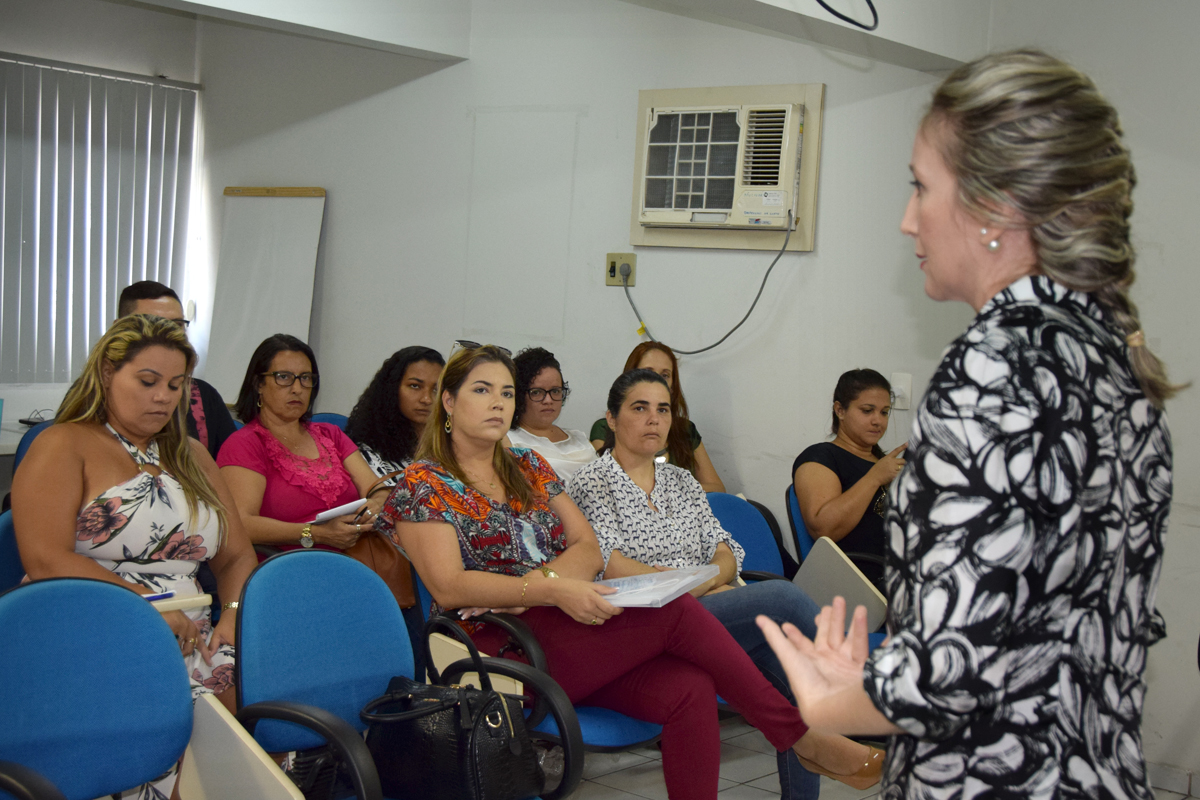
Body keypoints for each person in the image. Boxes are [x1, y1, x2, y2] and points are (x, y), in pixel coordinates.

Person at [757, 50, 1178, 800]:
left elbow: (949, 669)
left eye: (923, 187)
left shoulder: (992, 367)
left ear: (997, 208)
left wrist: (834, 697)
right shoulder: (1116, 356)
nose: (907, 217)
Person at [375, 345, 881, 800]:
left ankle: (808, 732)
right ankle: (800, 735)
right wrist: (549, 591)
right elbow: (450, 585)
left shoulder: (528, 465)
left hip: (566, 626)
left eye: (506, 392)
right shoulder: (422, 485)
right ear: (449, 403)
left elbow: (588, 547)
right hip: (500, 650)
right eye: (482, 391)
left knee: (690, 688)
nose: (498, 403)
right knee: (677, 610)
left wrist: (545, 587)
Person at [568, 369, 882, 798]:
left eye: (663, 410)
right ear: (612, 417)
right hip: (640, 623)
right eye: (639, 408)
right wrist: (702, 583)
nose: (653, 420)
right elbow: (612, 567)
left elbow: (727, 549)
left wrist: (710, 577)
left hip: (703, 610)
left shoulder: (681, 480)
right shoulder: (590, 482)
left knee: (795, 682)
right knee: (782, 596)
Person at [11, 314, 258, 798]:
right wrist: (143, 608)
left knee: (250, 709)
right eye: (147, 381)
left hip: (193, 630)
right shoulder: (64, 443)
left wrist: (231, 615)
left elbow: (236, 558)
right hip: (91, 622)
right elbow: (44, 557)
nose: (163, 397)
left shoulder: (191, 454)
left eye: (175, 385)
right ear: (107, 373)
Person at [217, 334, 383, 551]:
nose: (297, 388)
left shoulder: (331, 434)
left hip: (353, 559)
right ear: (258, 384)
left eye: (305, 378)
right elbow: (240, 524)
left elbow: (376, 488)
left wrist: (376, 504)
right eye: (284, 377)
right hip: (283, 566)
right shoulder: (245, 445)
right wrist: (316, 534)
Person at [791, 369, 905, 586]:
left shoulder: (883, 463)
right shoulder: (820, 457)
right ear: (840, 410)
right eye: (867, 410)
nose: (877, 421)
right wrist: (874, 478)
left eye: (884, 412)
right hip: (855, 583)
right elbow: (823, 529)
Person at [119, 281, 237, 461]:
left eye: (177, 325)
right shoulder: (94, 398)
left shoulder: (204, 396)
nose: (167, 335)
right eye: (152, 324)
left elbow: (231, 466)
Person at [590, 342, 726, 493]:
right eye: (648, 372)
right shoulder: (607, 427)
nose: (656, 380)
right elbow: (614, 486)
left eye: (665, 375)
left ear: (673, 386)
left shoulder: (686, 429)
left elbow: (717, 489)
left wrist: (670, 495)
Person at [346, 346, 446, 482]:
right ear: (391, 389)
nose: (427, 399)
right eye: (415, 386)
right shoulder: (365, 454)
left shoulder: (452, 447)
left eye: (436, 389)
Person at [506, 347, 597, 479]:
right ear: (519, 395)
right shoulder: (509, 440)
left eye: (555, 391)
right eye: (537, 392)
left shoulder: (580, 439)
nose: (548, 400)